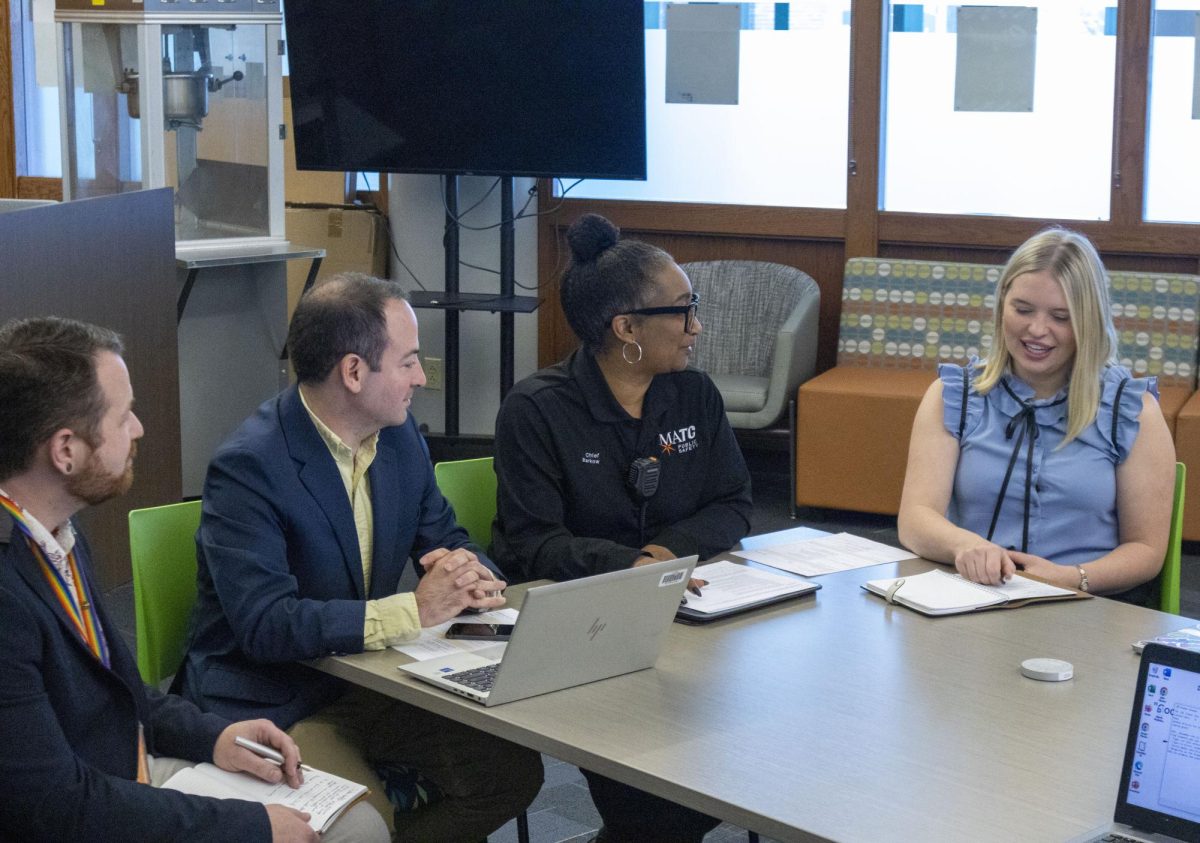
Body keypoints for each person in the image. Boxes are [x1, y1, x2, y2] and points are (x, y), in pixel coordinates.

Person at [177, 274, 543, 841]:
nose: (422, 378)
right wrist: (413, 611)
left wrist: (473, 574)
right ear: (353, 372)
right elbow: (265, 626)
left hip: (367, 681)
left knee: (513, 774)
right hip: (275, 699)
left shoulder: (397, 438)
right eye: (409, 362)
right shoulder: (250, 466)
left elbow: (447, 536)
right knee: (364, 823)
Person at [0, 315, 388, 842]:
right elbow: (56, 807)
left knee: (356, 823)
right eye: (124, 417)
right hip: (86, 808)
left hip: (119, 774)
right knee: (349, 833)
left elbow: (126, 695)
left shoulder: (53, 529)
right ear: (65, 450)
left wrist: (215, 736)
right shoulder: (8, 592)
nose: (138, 429)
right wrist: (251, 826)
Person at [492, 213, 753, 842]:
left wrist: (665, 555)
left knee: (749, 757)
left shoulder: (693, 395)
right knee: (662, 810)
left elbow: (734, 503)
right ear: (626, 328)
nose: (697, 327)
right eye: (684, 312)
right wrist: (631, 569)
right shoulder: (537, 410)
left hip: (693, 624)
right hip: (584, 631)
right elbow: (533, 543)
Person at [898, 228, 1175, 599]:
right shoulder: (955, 395)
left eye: (1061, 317)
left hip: (1086, 605)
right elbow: (916, 518)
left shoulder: (1133, 409)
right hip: (973, 598)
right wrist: (964, 545)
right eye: (1023, 310)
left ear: (1088, 323)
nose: (1037, 330)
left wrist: (1072, 577)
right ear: (1001, 307)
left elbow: (1146, 551)